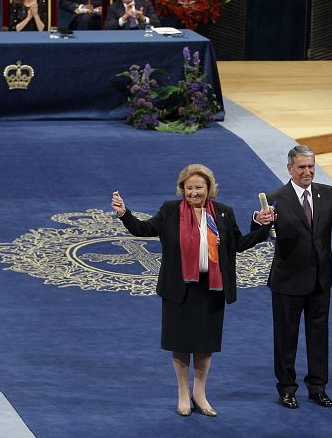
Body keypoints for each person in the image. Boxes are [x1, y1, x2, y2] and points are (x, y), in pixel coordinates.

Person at [111, 165, 273, 417]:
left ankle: (200, 392)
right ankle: (183, 393)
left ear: (209, 188)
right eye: (189, 188)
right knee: (180, 343)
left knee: (204, 344)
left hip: (212, 289)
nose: (194, 193)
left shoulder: (223, 213)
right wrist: (124, 214)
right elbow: (144, 229)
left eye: (199, 187)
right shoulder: (170, 211)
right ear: (182, 189)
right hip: (180, 290)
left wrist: (261, 227)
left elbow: (238, 245)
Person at [261, 145, 332, 410]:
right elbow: (261, 228)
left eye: (311, 167)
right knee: (286, 339)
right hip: (288, 282)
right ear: (290, 169)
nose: (307, 172)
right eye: (302, 167)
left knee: (319, 338)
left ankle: (318, 388)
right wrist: (258, 221)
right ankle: (287, 388)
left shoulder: (326, 194)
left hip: (320, 280)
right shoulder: (277, 197)